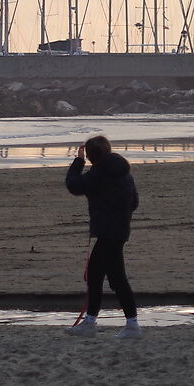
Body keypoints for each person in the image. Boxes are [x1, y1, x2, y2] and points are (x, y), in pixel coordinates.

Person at [63, 134, 140, 337]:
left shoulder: (99, 173)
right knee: (95, 275)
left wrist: (78, 161)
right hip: (118, 229)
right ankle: (89, 323)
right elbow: (134, 202)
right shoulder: (124, 172)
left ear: (91, 156)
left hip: (109, 231)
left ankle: (132, 325)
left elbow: (74, 185)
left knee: (117, 279)